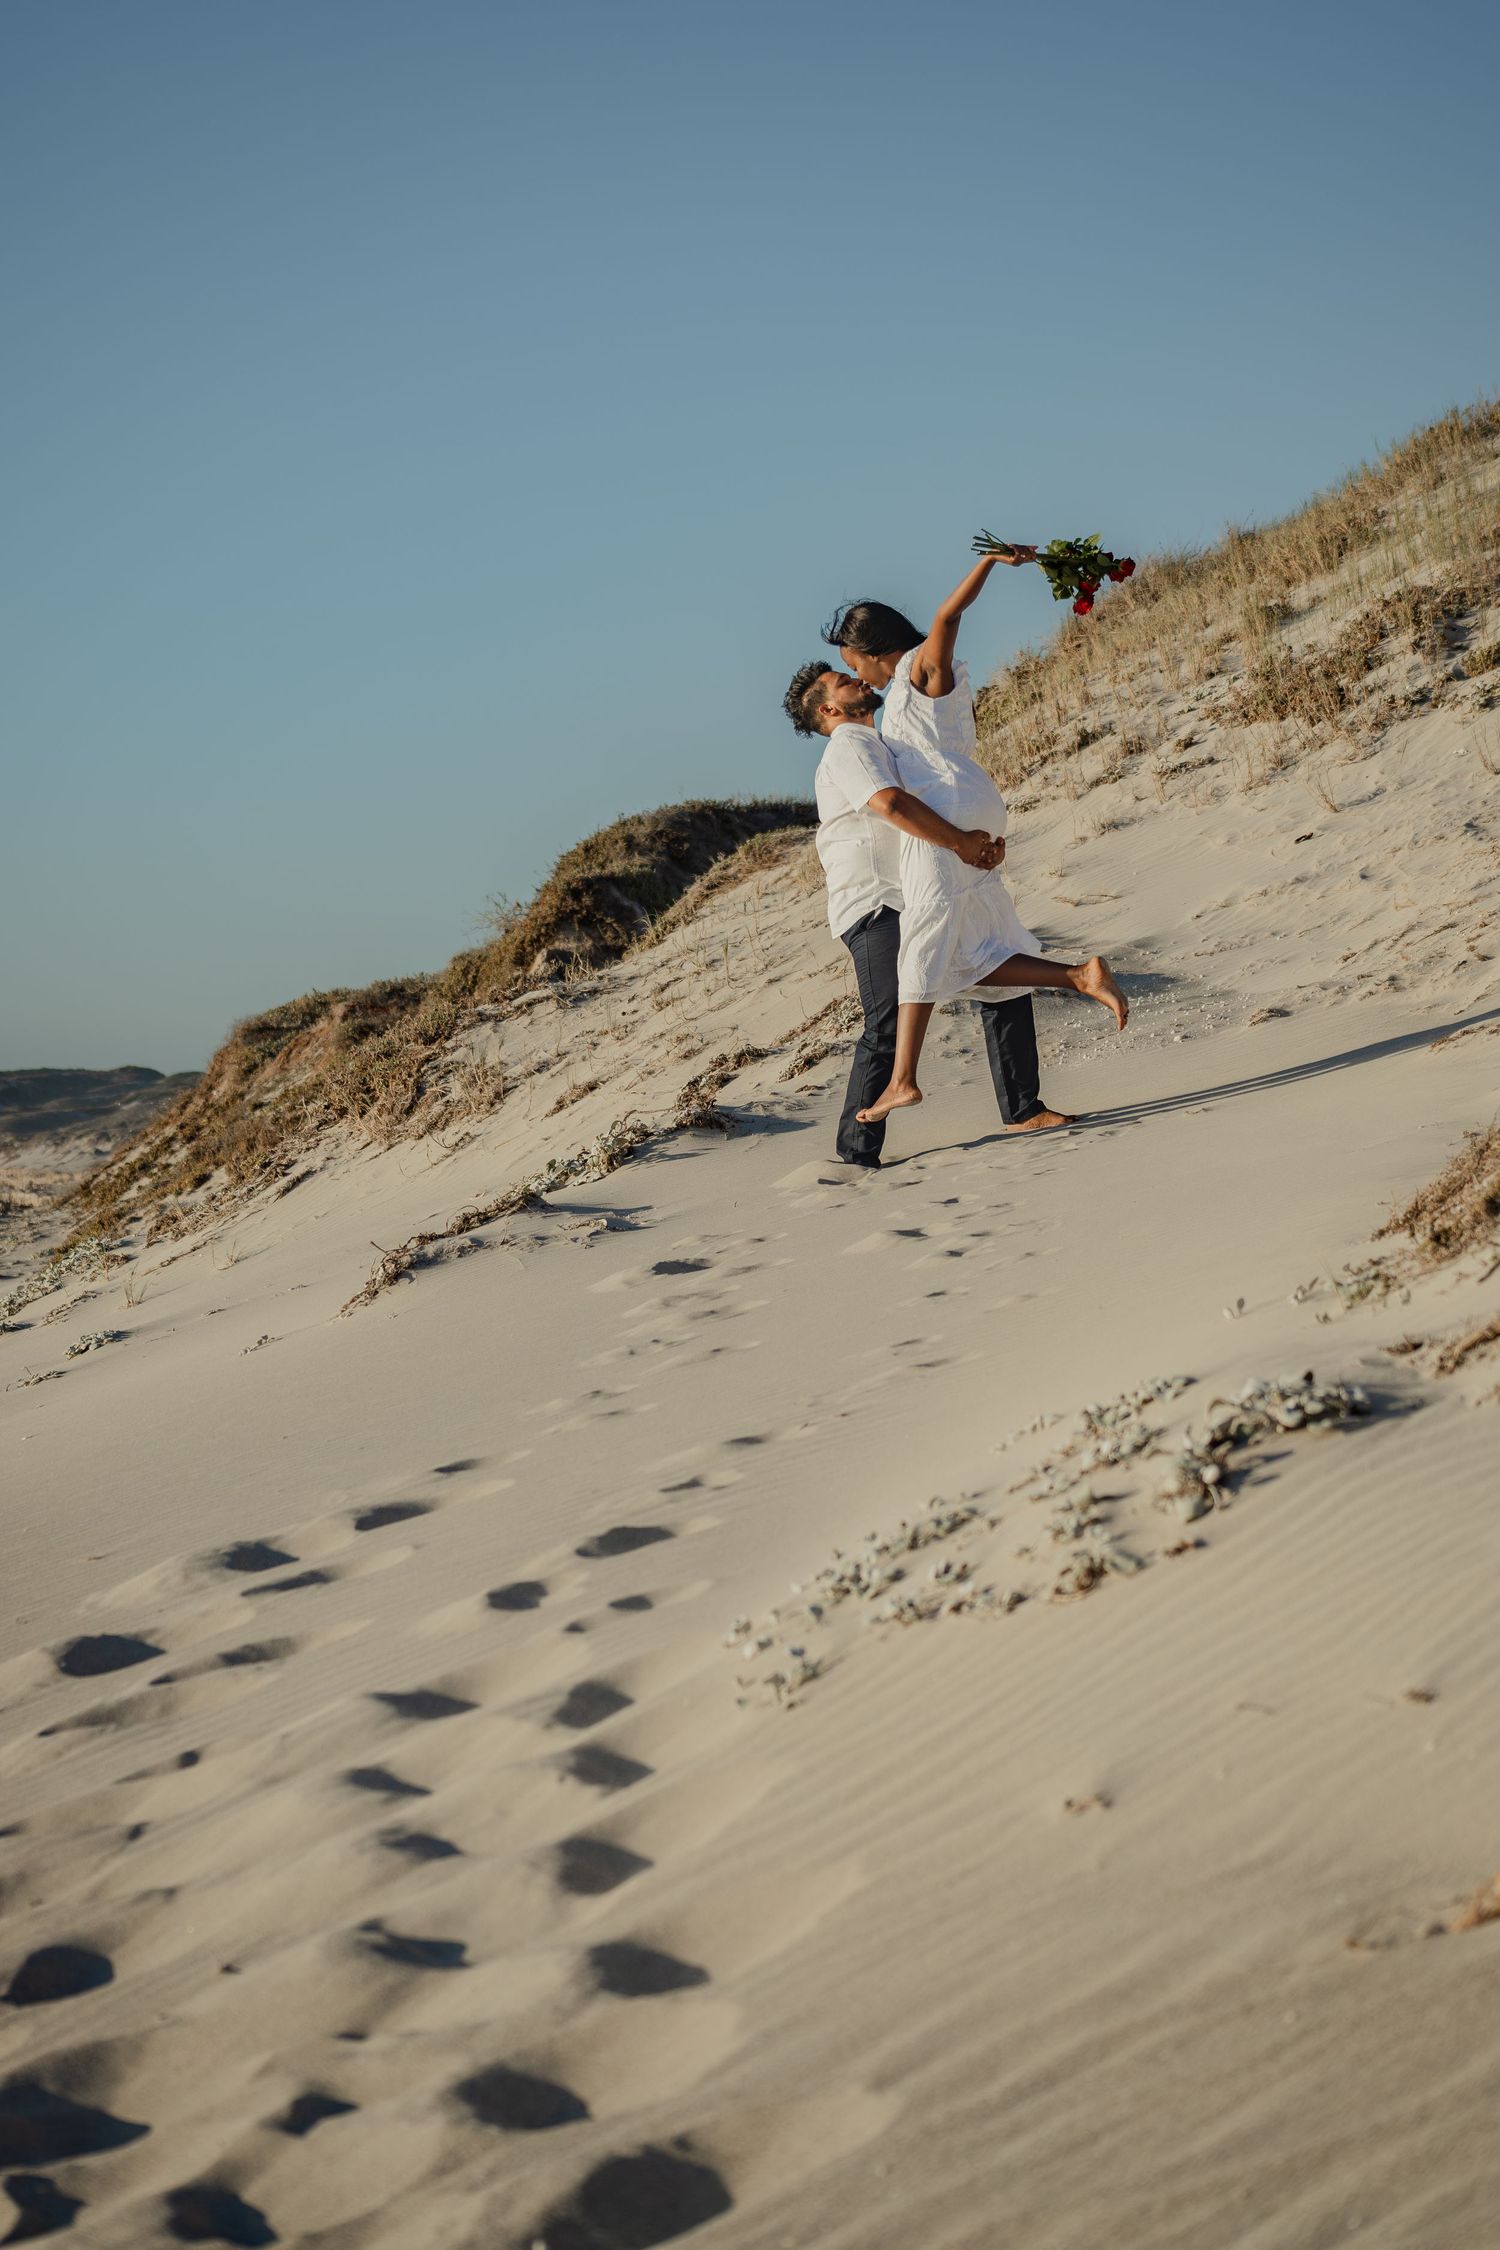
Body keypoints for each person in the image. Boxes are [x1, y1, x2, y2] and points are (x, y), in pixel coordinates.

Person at [814, 554, 1128, 1126]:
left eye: (853, 663)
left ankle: (904, 1082)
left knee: (925, 942)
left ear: (871, 647)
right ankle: (1074, 981)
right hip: (971, 797)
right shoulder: (920, 688)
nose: (860, 676)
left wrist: (988, 561)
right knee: (982, 946)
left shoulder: (918, 668)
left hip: (949, 808)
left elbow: (947, 616)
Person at [784, 660, 1078, 1163]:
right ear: (829, 708)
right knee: (887, 1019)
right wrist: (964, 843)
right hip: (878, 903)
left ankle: (1024, 1108)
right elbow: (891, 805)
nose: (857, 680)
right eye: (843, 681)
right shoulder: (849, 744)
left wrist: (977, 846)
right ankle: (856, 1154)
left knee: (995, 973)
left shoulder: (883, 743)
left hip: (919, 890)